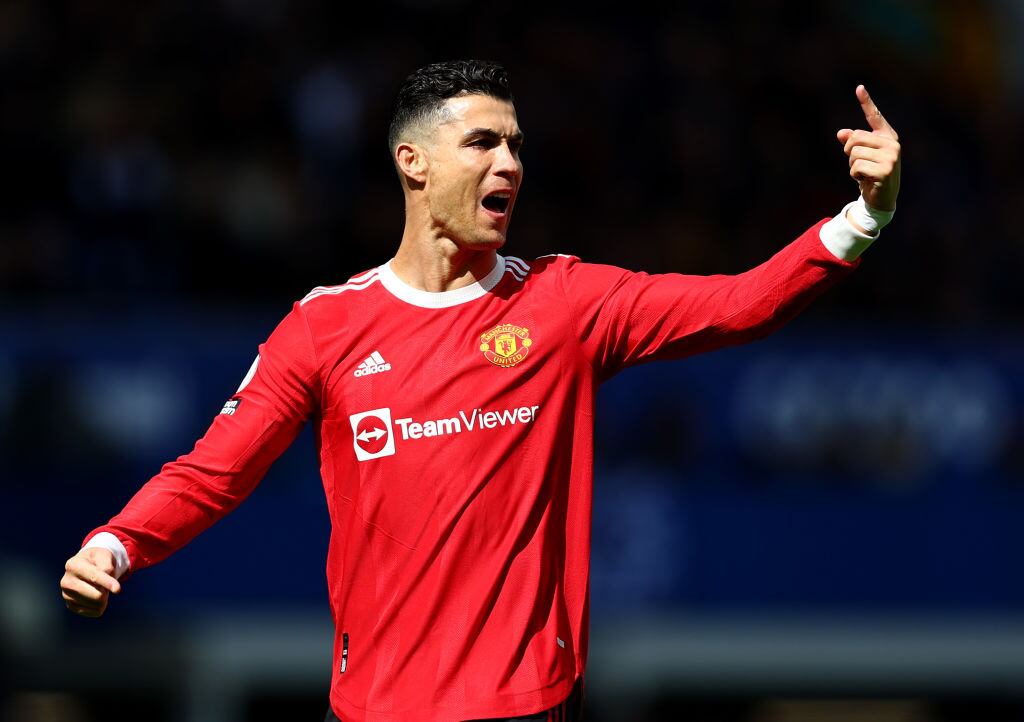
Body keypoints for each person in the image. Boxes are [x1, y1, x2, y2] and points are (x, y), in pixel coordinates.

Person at [60, 59, 901, 721]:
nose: (511, 163)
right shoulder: (324, 327)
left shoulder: (564, 305)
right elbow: (216, 471)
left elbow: (737, 304)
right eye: (484, 143)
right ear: (413, 162)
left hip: (523, 705)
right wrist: (117, 544)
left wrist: (864, 215)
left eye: (517, 145)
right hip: (370, 711)